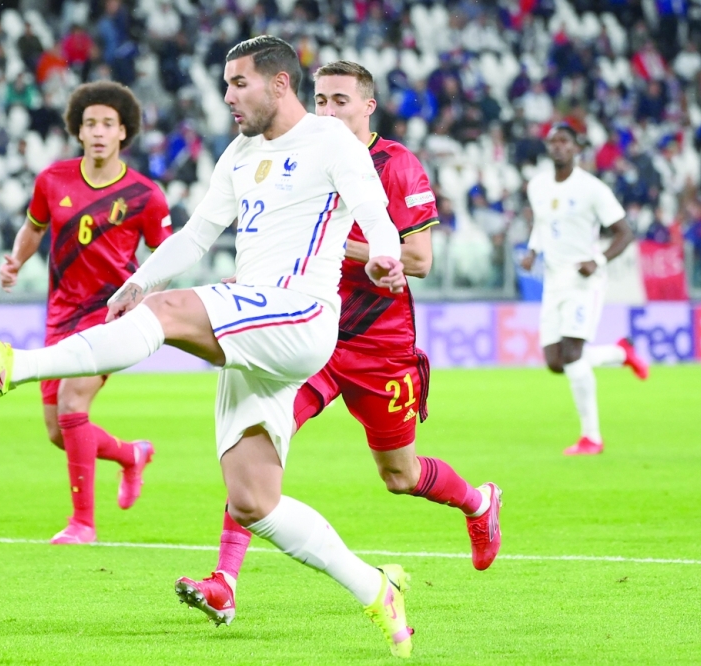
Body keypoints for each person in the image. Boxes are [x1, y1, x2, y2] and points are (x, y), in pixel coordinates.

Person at [0, 36, 415, 658]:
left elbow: (371, 205)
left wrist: (386, 253)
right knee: (253, 502)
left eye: (238, 83)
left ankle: (14, 366)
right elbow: (199, 234)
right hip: (258, 327)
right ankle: (376, 588)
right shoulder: (240, 152)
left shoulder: (330, 139)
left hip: (303, 313)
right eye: (226, 84)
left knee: (169, 311)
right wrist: (137, 282)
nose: (227, 96)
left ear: (279, 83)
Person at [173, 60, 502, 629]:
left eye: (340, 100)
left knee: (399, 476)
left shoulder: (395, 165)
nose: (327, 110)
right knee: (256, 442)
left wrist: (334, 239)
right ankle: (224, 582)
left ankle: (478, 502)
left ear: (368, 107)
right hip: (307, 335)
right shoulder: (295, 157)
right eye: (320, 99)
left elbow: (418, 259)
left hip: (379, 345)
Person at [0, 82, 172, 546]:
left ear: (123, 132)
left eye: (107, 124)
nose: (98, 132)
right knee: (59, 431)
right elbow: (33, 228)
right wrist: (16, 261)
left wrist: (146, 297)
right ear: (78, 130)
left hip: (111, 315)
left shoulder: (145, 195)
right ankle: (131, 454)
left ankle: (83, 524)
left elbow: (167, 258)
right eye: (90, 123)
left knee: (73, 404)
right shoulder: (52, 180)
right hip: (60, 314)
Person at [521, 123, 649, 456]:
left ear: (577, 148)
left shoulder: (593, 188)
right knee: (555, 361)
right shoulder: (537, 185)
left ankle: (591, 437)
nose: (558, 146)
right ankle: (621, 353)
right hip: (553, 280)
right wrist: (533, 250)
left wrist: (598, 260)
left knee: (573, 354)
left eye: (564, 141)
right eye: (553, 141)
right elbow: (541, 223)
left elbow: (624, 232)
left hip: (583, 279)